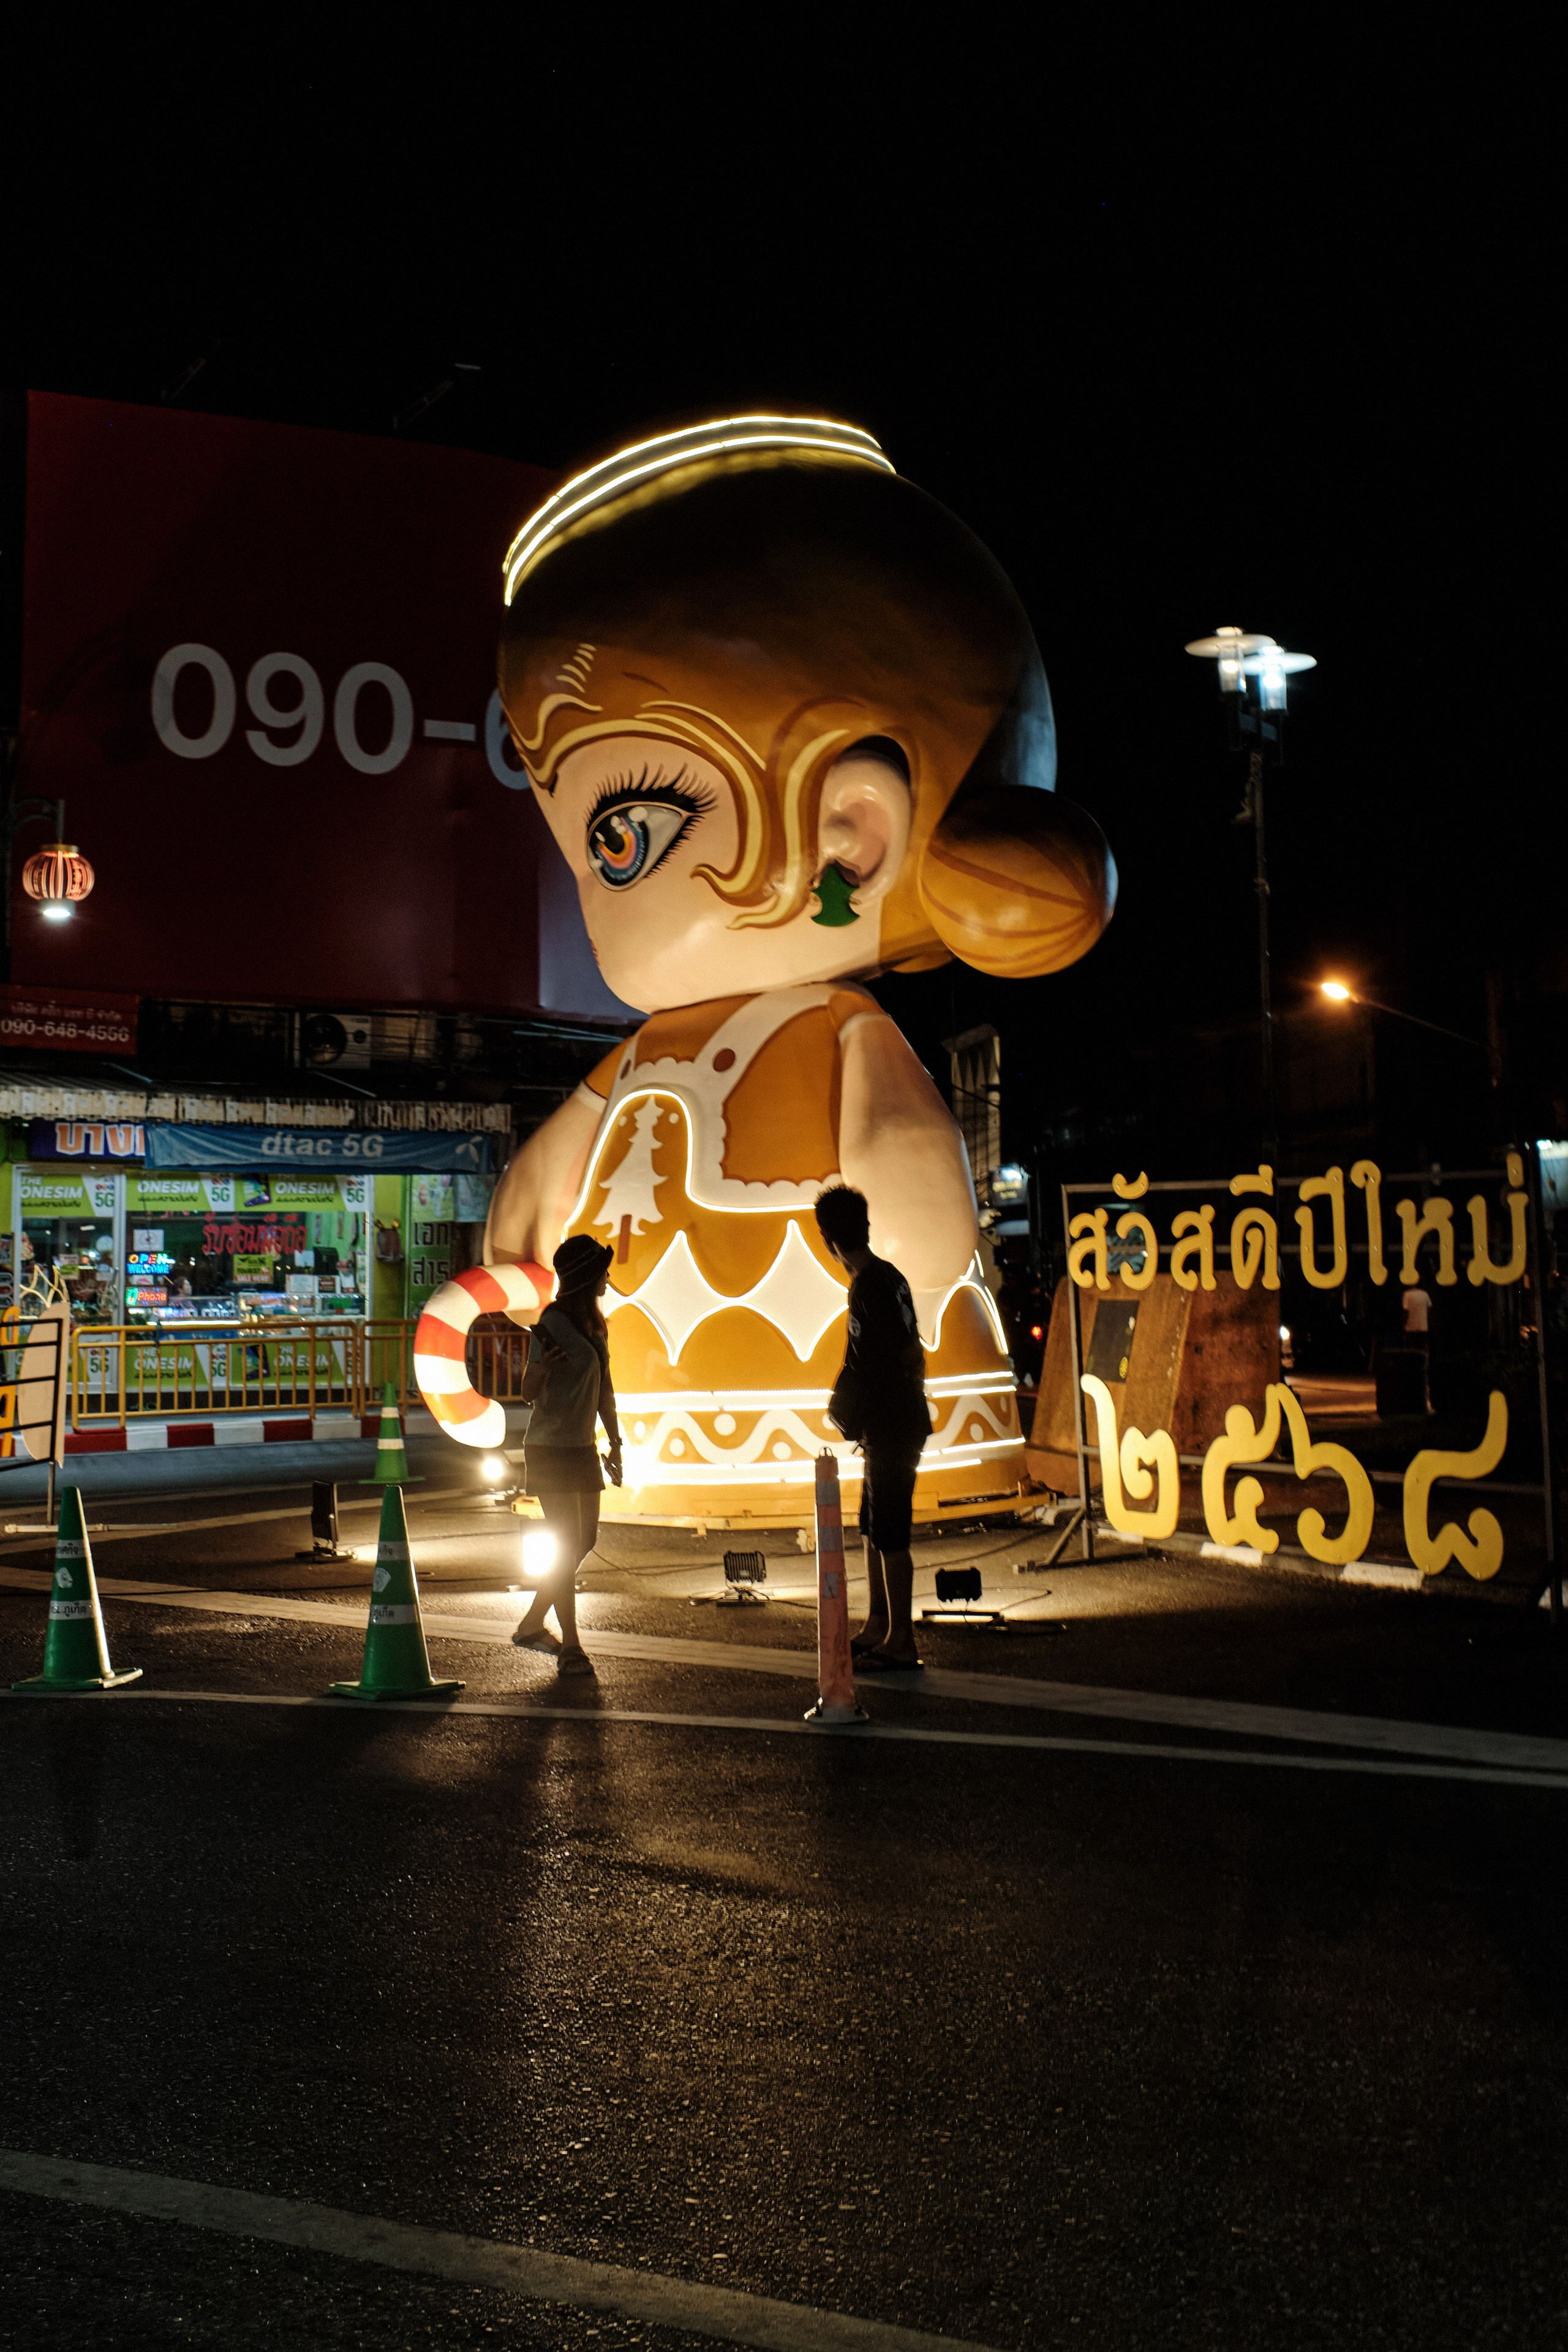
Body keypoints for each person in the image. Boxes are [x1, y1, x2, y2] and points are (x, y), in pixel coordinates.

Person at [814, 1183, 931, 1670]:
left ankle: (900, 1639)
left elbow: (874, 1363)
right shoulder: (891, 1278)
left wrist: (852, 1408)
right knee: (872, 1525)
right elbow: (912, 1352)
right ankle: (878, 1624)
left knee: (889, 1531)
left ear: (829, 1240)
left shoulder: (867, 1288)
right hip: (901, 1417)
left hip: (890, 1422)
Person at [512, 1234, 622, 1672]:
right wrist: (542, 1370)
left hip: (582, 1447)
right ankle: (572, 1648)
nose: (609, 1279)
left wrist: (615, 1442)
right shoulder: (552, 1322)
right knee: (564, 1544)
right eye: (603, 1271)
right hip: (550, 1446)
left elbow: (606, 1391)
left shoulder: (597, 1325)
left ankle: (534, 1621)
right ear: (585, 1277)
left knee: (585, 1539)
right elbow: (526, 1391)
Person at [1402, 1283, 1433, 1352]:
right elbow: (1429, 1310)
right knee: (1422, 1350)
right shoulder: (1425, 1294)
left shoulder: (1407, 1294)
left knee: (1411, 1350)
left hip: (1410, 1328)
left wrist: (1404, 1325)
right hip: (1423, 1327)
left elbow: (1406, 1311)